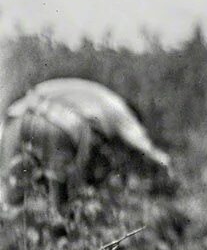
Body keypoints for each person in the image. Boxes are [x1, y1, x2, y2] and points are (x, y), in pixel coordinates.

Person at [1, 77, 172, 203]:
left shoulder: (94, 94)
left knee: (10, 190)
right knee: (60, 192)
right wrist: (164, 163)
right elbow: (141, 142)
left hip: (17, 117)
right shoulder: (119, 108)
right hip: (57, 122)